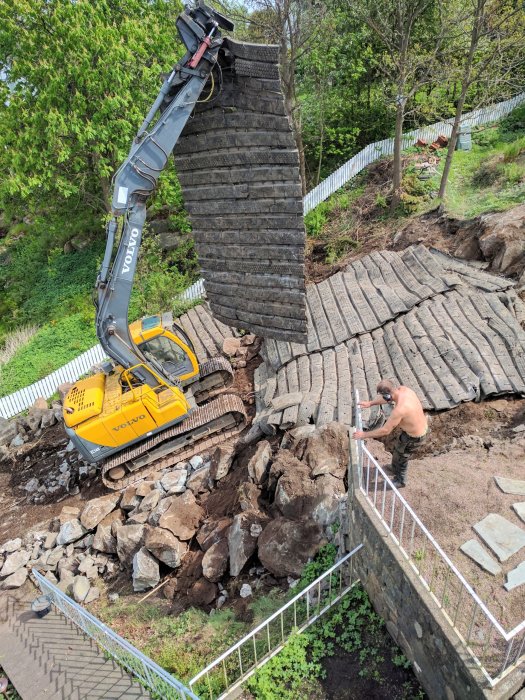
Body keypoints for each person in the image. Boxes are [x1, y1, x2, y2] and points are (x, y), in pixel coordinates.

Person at [352, 379, 428, 488]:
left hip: (415, 437)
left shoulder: (400, 409)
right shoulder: (404, 390)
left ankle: (400, 481)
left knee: (402, 457)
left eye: (384, 396)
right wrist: (370, 403)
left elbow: (385, 430)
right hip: (415, 430)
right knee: (398, 449)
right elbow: (387, 398)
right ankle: (394, 467)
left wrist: (363, 435)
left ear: (388, 395)